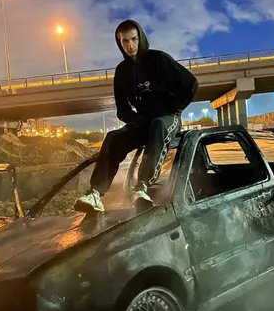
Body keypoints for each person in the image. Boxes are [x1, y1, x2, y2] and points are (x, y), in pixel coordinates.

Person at [74, 20, 198, 214]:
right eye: (125, 41)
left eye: (134, 39)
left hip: (167, 117)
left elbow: (191, 84)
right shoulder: (121, 71)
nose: (130, 45)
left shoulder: (159, 59)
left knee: (159, 125)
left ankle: (141, 188)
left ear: (140, 38)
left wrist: (174, 107)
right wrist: (134, 120)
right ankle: (96, 194)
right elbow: (122, 107)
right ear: (119, 43)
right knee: (114, 138)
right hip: (143, 121)